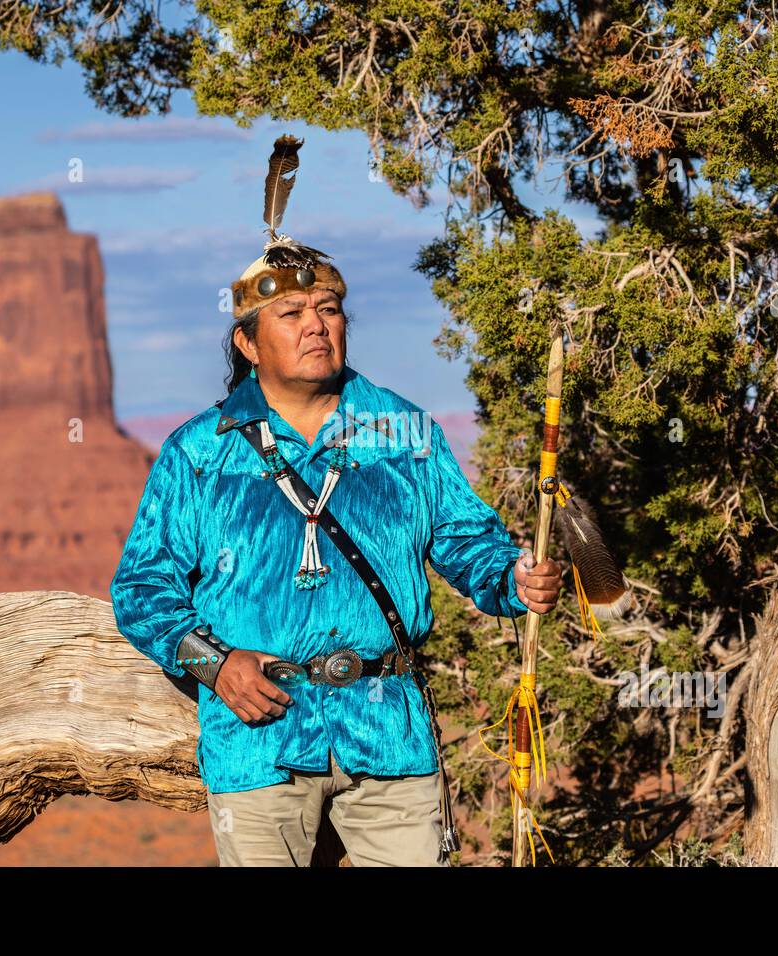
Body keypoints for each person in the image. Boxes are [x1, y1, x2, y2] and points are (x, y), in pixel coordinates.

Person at [110, 134, 563, 866]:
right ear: (249, 343)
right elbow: (142, 589)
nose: (317, 325)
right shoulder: (201, 452)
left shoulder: (402, 430)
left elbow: (462, 538)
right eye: (291, 315)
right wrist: (214, 664)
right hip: (261, 737)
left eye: (328, 308)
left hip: (387, 729)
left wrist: (510, 576)